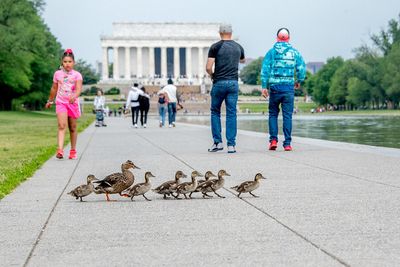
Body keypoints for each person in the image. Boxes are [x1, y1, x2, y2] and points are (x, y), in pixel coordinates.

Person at [260, 28, 306, 151]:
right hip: (288, 87)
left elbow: (265, 69)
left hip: (275, 87)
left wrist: (264, 86)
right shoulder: (295, 53)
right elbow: (301, 69)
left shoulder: (271, 52)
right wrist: (299, 81)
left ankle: (273, 140)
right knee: (287, 116)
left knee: (273, 114)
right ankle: (287, 143)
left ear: (277, 38)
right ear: (289, 38)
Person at [206, 24, 245, 153]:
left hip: (219, 82)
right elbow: (243, 61)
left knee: (215, 112)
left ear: (220, 33)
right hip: (233, 83)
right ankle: (231, 145)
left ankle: (218, 143)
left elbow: (208, 67)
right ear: (231, 33)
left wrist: (213, 75)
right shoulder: (238, 47)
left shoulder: (215, 47)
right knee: (231, 114)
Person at [45, 48, 83, 159]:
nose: (67, 64)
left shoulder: (77, 75)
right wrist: (50, 100)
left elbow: (79, 89)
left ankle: (73, 150)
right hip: (61, 102)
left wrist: (74, 96)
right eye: (65, 62)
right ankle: (60, 150)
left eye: (70, 62)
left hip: (72, 103)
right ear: (62, 62)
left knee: (72, 127)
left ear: (74, 63)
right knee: (62, 126)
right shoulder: (57, 74)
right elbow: (54, 88)